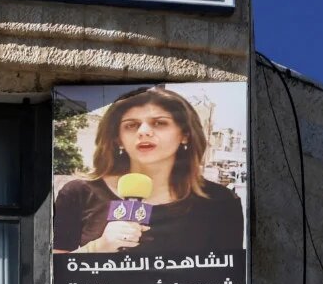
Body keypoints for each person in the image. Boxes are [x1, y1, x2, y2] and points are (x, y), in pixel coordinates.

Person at [53, 86, 245, 255]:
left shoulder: (221, 202)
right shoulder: (78, 194)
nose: (143, 131)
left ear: (185, 134)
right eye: (131, 125)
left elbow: (229, 277)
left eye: (159, 123)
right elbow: (52, 273)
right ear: (118, 139)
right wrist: (97, 248)